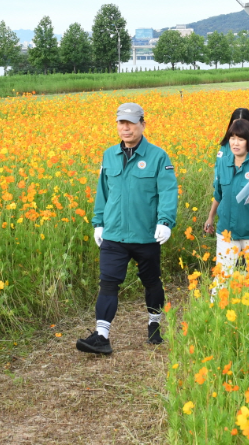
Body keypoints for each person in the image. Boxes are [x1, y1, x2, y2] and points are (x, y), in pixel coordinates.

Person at [76, 103, 178, 355]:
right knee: (108, 283)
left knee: (151, 281)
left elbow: (167, 191)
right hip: (114, 233)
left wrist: (165, 221)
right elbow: (103, 191)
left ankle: (154, 325)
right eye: (121, 123)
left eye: (131, 123)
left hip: (145, 235)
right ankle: (102, 337)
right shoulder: (109, 155)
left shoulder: (158, 156)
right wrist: (98, 222)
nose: (125, 128)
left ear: (143, 124)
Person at [203, 118, 249, 279]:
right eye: (232, 138)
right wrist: (210, 217)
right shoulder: (223, 163)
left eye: (240, 139)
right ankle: (216, 304)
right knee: (222, 278)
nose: (235, 143)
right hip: (226, 231)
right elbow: (219, 194)